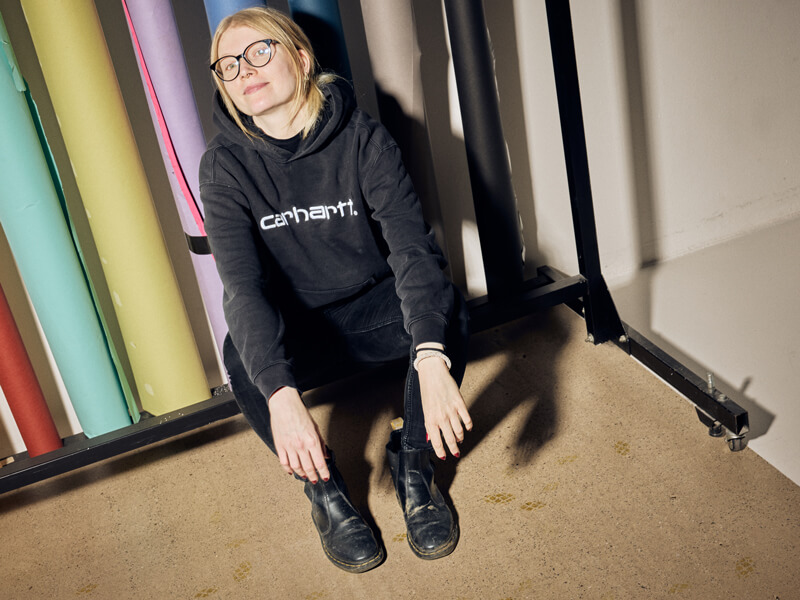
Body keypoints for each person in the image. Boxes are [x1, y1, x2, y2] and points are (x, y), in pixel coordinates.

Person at [200, 7, 472, 573]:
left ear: (301, 59)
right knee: (243, 357)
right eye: (228, 65)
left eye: (259, 52)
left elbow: (411, 249)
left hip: (371, 307)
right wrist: (280, 395)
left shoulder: (363, 137)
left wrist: (430, 355)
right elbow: (243, 287)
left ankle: (414, 464)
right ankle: (324, 490)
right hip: (299, 326)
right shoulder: (223, 165)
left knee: (445, 309)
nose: (244, 70)